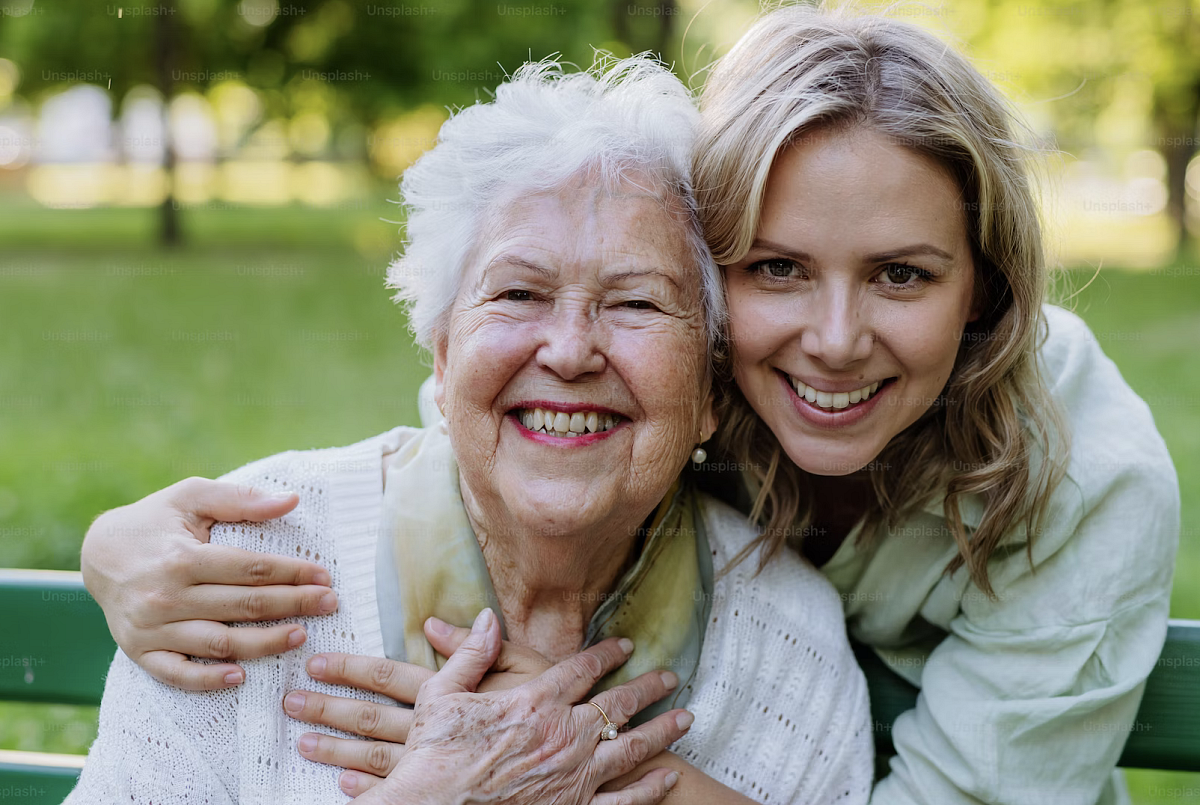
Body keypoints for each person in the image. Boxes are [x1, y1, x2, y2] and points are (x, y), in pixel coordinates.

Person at [81, 5, 1180, 804]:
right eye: (778, 267)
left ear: (984, 287)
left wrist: (574, 755)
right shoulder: (662, 374)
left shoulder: (1088, 489)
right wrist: (110, 546)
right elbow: (515, 409)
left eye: (902, 274)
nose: (835, 339)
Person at [66, 56, 873, 805]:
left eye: (636, 302)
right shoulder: (237, 575)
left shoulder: (787, 645)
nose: (569, 350)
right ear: (444, 356)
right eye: (519, 293)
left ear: (709, 389)